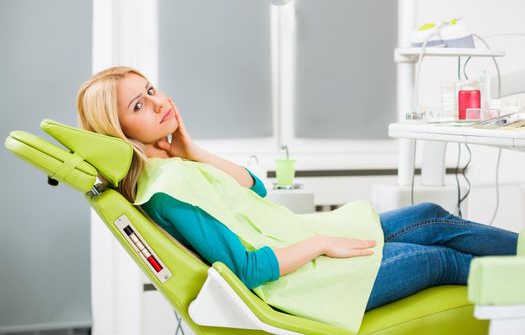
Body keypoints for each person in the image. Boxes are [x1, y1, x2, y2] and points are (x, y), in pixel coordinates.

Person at [77, 66, 519, 315]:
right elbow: (247, 270)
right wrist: (322, 244)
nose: (158, 102)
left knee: (429, 216)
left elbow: (256, 192)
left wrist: (193, 150)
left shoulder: (178, 165)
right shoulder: (168, 189)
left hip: (297, 247)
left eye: (151, 89)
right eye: (139, 105)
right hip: (296, 286)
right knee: (437, 258)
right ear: (120, 130)